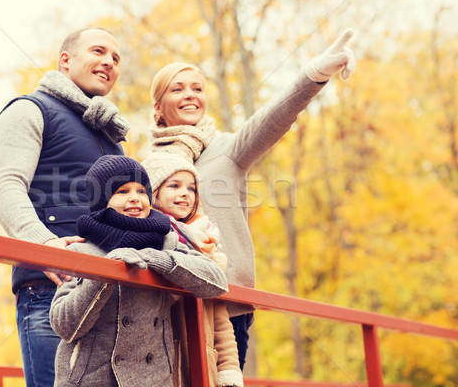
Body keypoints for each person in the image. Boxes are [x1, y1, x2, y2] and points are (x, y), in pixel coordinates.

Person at [148, 29, 357, 369]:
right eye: (178, 88)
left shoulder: (228, 149)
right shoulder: (145, 166)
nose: (190, 95)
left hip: (228, 302)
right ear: (158, 107)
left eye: (197, 88)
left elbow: (274, 117)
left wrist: (316, 72)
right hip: (165, 304)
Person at [0, 27, 128, 386]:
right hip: (51, 290)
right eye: (99, 51)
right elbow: (6, 186)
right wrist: (44, 244)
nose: (109, 62)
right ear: (65, 60)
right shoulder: (29, 109)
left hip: (109, 292)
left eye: (116, 58)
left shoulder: (112, 137)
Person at [49, 155, 229, 387]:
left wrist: (156, 259)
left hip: (155, 378)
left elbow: (216, 281)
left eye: (141, 191)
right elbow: (65, 326)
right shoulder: (81, 249)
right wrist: (108, 271)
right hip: (92, 379)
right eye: (122, 191)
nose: (135, 198)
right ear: (102, 200)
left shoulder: (167, 242)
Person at [142, 151, 244, 387]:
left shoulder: (207, 245)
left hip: (201, 362)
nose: (184, 194)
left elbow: (220, 317)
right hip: (161, 364)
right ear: (152, 193)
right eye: (174, 185)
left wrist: (228, 369)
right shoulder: (147, 238)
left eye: (191, 188)